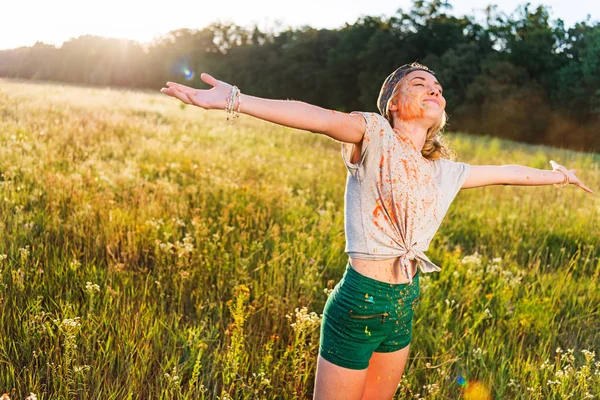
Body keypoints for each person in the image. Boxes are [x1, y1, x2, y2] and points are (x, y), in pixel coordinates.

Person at [160, 62, 593, 400]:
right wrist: (235, 98)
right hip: (358, 305)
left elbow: (506, 172)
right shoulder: (373, 134)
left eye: (438, 87)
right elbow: (317, 117)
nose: (434, 89)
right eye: (422, 83)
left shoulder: (444, 171)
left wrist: (559, 177)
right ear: (394, 101)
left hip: (405, 303)